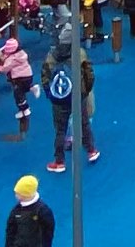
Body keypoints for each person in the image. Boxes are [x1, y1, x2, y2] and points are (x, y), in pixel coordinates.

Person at [42, 40, 99, 173]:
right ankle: (91, 150)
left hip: (59, 99)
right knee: (84, 123)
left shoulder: (51, 56)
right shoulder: (80, 53)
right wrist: (85, 91)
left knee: (60, 130)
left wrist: (50, 94)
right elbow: (89, 73)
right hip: (78, 96)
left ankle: (59, 161)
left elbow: (45, 76)